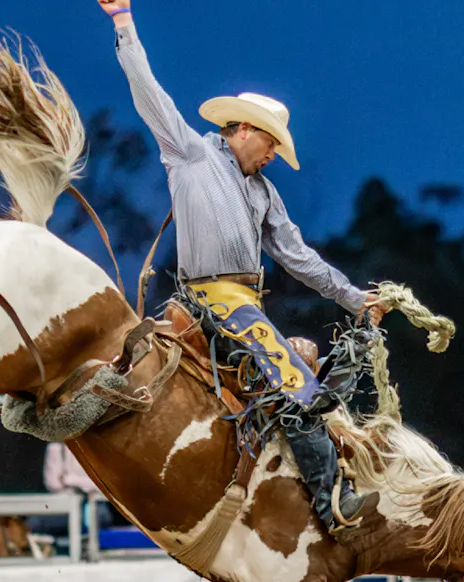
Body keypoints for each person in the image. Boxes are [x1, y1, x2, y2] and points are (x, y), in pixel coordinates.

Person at [98, 0, 390, 530]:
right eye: (272, 143)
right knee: (296, 379)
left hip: (245, 307)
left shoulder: (264, 193)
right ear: (246, 130)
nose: (274, 154)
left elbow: (298, 257)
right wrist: (123, 21)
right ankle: (333, 501)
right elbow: (149, 93)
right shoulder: (190, 154)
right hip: (211, 301)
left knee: (294, 371)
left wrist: (354, 298)